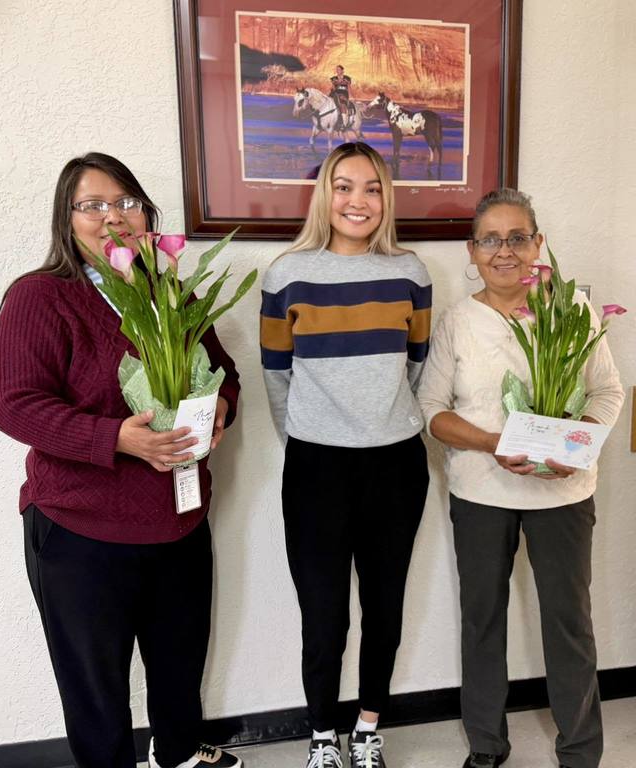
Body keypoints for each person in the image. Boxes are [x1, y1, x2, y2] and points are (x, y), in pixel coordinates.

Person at [0, 152, 244, 768]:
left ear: (147, 216)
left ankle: (179, 754)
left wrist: (218, 417)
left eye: (126, 202)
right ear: (66, 219)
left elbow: (225, 377)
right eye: (93, 205)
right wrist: (116, 439)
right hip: (82, 529)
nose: (113, 218)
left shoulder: (171, 294)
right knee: (97, 692)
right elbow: (13, 404)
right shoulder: (41, 297)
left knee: (179, 668)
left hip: (178, 519)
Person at [416, 188, 624, 768]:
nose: (504, 251)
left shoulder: (573, 312)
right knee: (482, 619)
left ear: (539, 245)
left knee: (569, 622)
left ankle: (580, 751)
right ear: (472, 249)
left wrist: (574, 443)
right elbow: (431, 408)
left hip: (563, 491)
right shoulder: (458, 322)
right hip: (481, 493)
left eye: (517, 238)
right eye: (490, 239)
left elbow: (608, 392)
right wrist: (490, 441)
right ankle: (486, 745)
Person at [259, 142, 432, 768]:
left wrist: (381, 422)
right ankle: (323, 737)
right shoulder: (286, 275)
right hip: (316, 468)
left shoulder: (411, 273)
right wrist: (313, 435)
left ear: (386, 199)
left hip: (395, 464)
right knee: (324, 614)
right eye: (344, 186)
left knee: (385, 606)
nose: (358, 201)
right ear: (323, 195)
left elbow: (417, 367)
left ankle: (367, 728)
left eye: (372, 188)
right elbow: (275, 376)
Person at [329, 64, 353, 130]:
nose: (337, 71)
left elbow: (349, 88)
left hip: (344, 94)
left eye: (339, 69)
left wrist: (351, 96)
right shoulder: (333, 79)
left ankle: (344, 123)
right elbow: (332, 88)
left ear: (342, 71)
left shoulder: (347, 78)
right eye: (336, 70)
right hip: (335, 94)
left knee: (342, 105)